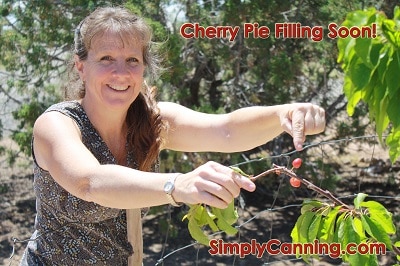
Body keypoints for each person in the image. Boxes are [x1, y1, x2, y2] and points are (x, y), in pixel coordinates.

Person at [20, 6, 325, 266]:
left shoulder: (151, 120)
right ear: (81, 66)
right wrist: (176, 185)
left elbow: (226, 131)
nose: (121, 73)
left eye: (132, 61)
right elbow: (89, 181)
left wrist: (282, 114)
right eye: (106, 59)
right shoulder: (57, 124)